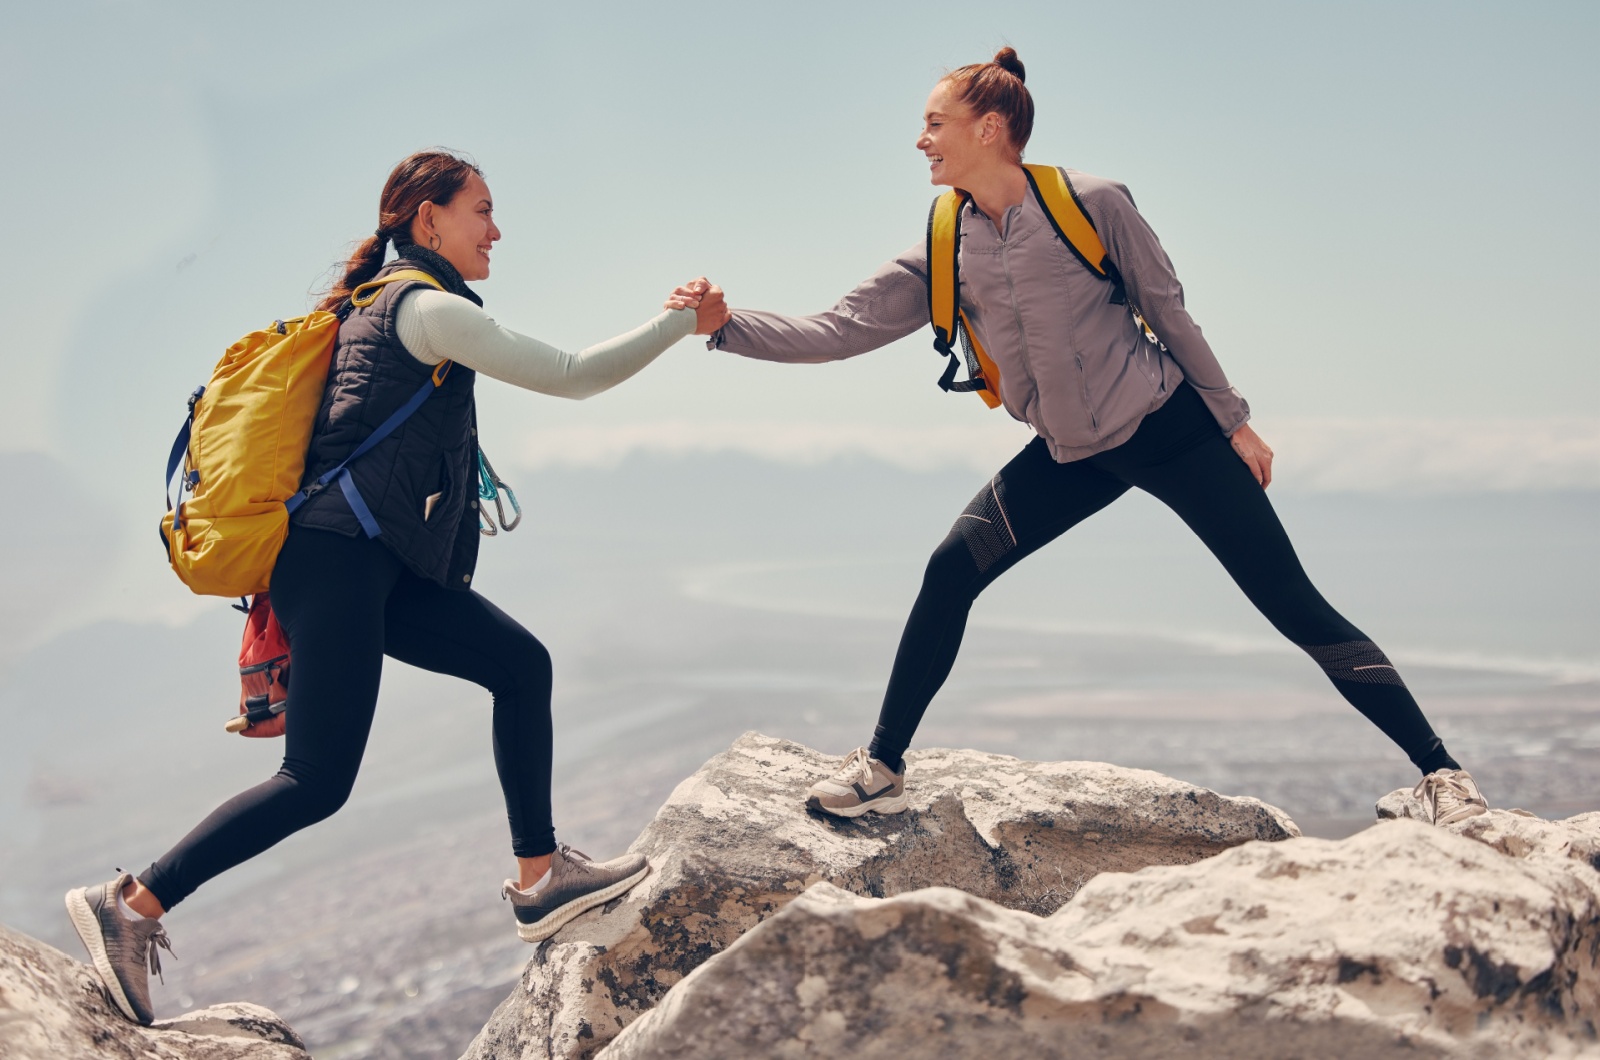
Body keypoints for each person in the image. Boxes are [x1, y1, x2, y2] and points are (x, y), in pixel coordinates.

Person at [698, 49, 1487, 832]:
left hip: (1170, 431)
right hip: (1072, 455)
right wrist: (726, 326)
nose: (921, 140)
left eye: (934, 124)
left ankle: (1443, 776)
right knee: (949, 571)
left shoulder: (1093, 203)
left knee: (1291, 603)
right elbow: (840, 329)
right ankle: (882, 768)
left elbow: (1169, 311)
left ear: (991, 128)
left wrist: (1234, 421)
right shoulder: (947, 238)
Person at [66, 149, 730, 1026]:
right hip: (341, 560)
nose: (496, 229)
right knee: (316, 780)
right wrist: (680, 322)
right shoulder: (422, 307)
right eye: (481, 210)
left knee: (520, 666)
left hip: (372, 565)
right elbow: (573, 373)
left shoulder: (385, 307)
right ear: (428, 221)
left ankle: (540, 878)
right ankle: (132, 905)